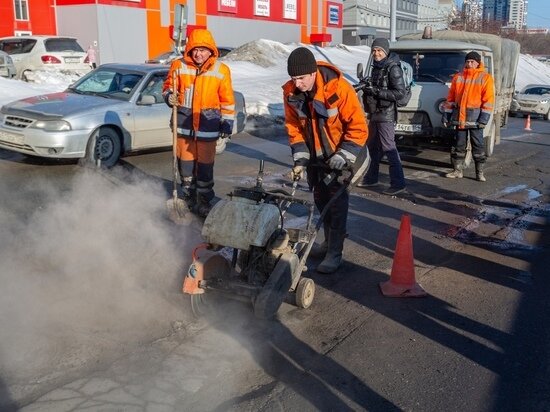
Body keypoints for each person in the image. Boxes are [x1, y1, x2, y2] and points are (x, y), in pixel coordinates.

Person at [282, 47, 368, 274]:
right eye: (293, 78)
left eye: (301, 78)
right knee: (320, 200)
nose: (297, 83)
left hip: (343, 156)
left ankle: (335, 252)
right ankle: (328, 242)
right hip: (316, 159)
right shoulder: (291, 93)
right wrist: (300, 160)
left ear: (312, 73)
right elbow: (294, 128)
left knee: (336, 204)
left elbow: (358, 127)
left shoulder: (339, 89)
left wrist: (343, 155)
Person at [162, 29, 235, 217]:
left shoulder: (221, 70)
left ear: (211, 51)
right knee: (185, 166)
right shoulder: (178, 66)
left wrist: (226, 124)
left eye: (203, 50)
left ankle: (203, 201)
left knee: (204, 168)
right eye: (195, 49)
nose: (198, 54)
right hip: (183, 124)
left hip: (207, 128)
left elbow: (227, 100)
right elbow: (167, 87)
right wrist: (170, 97)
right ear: (189, 50)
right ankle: (187, 196)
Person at [356, 38, 407, 195]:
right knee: (373, 147)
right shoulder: (377, 67)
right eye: (374, 50)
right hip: (375, 113)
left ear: (386, 52)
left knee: (389, 147)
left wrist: (376, 91)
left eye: (380, 51)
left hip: (386, 114)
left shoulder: (393, 68)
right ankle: (372, 178)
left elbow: (400, 93)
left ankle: (398, 184)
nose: (376, 53)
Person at [442, 51, 494, 182]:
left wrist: (483, 119)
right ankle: (457, 171)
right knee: (459, 145)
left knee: (478, 146)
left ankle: (479, 173)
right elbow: (450, 98)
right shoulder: (458, 77)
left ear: (478, 63)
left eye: (472, 61)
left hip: (475, 118)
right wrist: (446, 115)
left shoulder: (485, 78)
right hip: (460, 118)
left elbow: (488, 100)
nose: (470, 64)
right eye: (468, 61)